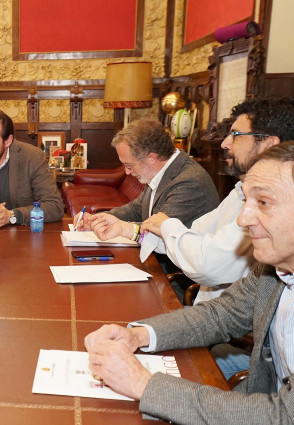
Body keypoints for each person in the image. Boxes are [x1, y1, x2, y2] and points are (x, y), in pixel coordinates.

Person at [84, 142, 294, 424]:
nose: (243, 219)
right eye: (246, 202)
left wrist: (143, 384)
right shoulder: (272, 267)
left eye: (264, 203)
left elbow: (281, 415)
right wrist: (138, 334)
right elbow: (221, 314)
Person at [141, 97, 294, 305]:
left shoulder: (273, 211)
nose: (224, 143)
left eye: (236, 135)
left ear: (269, 144)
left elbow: (206, 264)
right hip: (205, 312)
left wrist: (166, 225)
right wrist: (137, 231)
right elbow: (196, 232)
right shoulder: (239, 190)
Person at [72, 118, 219, 243]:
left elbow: (158, 232)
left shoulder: (189, 183)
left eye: (129, 165)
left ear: (152, 158)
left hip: (169, 271)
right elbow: (137, 209)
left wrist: (121, 228)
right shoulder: (159, 172)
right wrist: (99, 219)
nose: (127, 172)